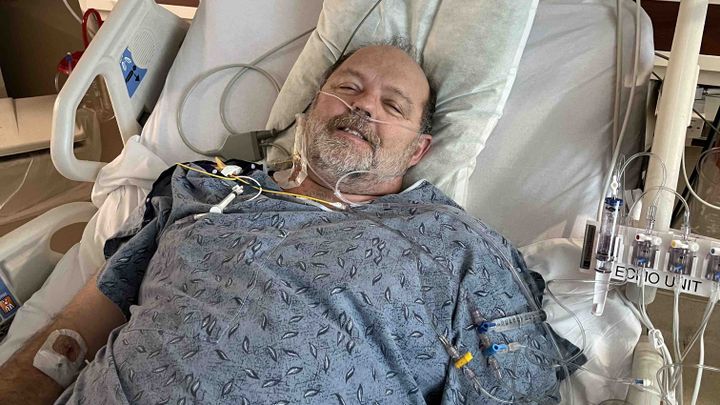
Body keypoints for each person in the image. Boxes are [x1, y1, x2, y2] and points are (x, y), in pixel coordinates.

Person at [0, 40, 568, 404]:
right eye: (348, 87)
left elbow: (519, 389)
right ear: (310, 109)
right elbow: (80, 324)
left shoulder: (456, 243)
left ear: (418, 150)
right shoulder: (206, 185)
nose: (363, 105)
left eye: (393, 105)